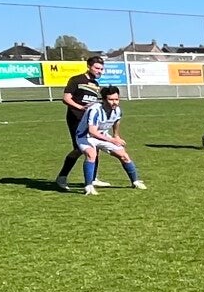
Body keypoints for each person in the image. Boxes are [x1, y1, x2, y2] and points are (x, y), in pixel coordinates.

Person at [76, 86, 145, 194]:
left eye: (116, 99)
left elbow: (116, 121)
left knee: (124, 156)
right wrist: (112, 140)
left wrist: (116, 136)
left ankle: (135, 181)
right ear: (104, 100)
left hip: (103, 135)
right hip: (86, 136)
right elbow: (92, 131)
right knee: (91, 154)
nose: (114, 102)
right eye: (111, 99)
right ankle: (88, 186)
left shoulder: (117, 110)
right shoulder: (95, 110)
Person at [53, 53, 105, 190]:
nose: (99, 71)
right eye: (97, 68)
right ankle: (62, 177)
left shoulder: (95, 84)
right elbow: (66, 98)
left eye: (101, 69)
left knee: (95, 146)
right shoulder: (76, 80)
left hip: (89, 120)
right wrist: (80, 108)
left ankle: (93, 178)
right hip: (76, 118)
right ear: (89, 67)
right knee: (79, 148)